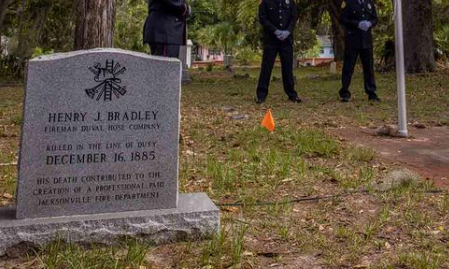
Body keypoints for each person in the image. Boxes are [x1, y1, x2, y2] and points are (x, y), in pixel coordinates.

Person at [256, 0, 301, 104]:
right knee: (266, 67)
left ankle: (292, 95)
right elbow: (263, 18)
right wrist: (275, 31)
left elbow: (293, 17)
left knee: (287, 68)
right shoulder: (266, 1)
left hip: (286, 40)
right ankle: (261, 95)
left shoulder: (290, 1)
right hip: (271, 39)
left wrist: (288, 31)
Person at [339, 0, 380, 102]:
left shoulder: (369, 2)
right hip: (353, 39)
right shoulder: (348, 2)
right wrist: (357, 24)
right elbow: (342, 19)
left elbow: (375, 18)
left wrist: (370, 23)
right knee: (348, 67)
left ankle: (371, 92)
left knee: (369, 67)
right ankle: (345, 92)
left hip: (366, 40)